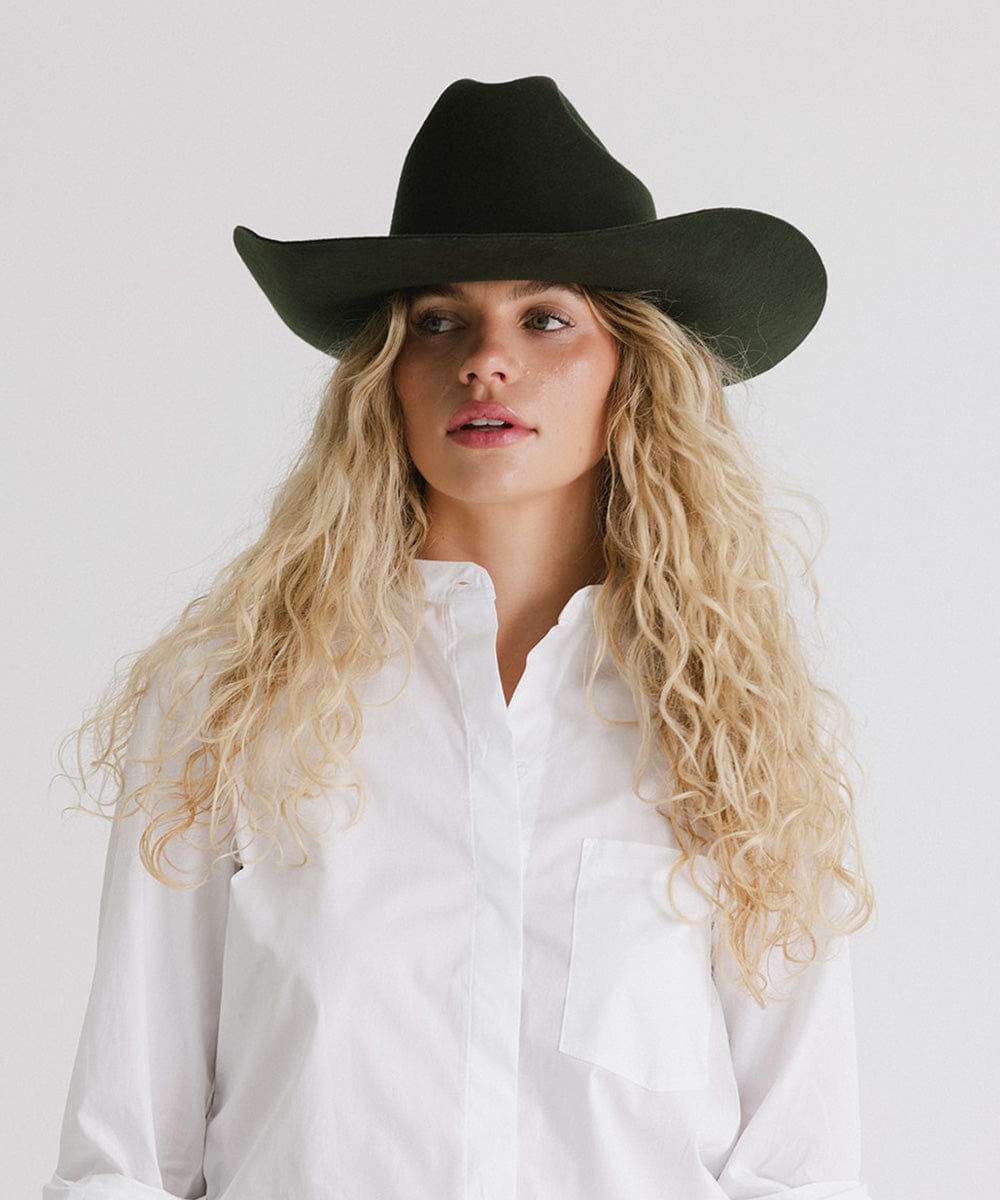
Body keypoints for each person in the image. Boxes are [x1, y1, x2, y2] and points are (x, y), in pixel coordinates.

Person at [44, 76, 876, 1200]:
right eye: (439, 321)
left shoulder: (729, 726)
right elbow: (130, 1151)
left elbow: (794, 1163)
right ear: (383, 374)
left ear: (631, 369)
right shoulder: (235, 700)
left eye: (544, 318)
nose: (487, 359)